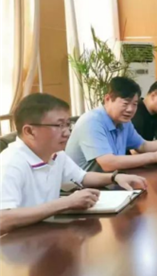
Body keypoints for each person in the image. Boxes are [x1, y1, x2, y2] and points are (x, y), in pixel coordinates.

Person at [0, 94, 147, 234]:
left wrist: (114, 177)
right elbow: (3, 219)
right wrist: (66, 203)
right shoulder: (10, 163)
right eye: (59, 125)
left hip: (44, 235)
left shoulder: (56, 154)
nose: (67, 133)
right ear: (30, 131)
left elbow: (82, 177)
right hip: (16, 246)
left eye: (67, 124)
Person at [66, 77, 157, 172]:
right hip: (80, 189)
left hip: (110, 182)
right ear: (107, 99)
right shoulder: (92, 121)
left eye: (134, 104)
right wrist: (155, 157)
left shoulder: (124, 122)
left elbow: (142, 146)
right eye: (125, 103)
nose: (130, 109)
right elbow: (108, 163)